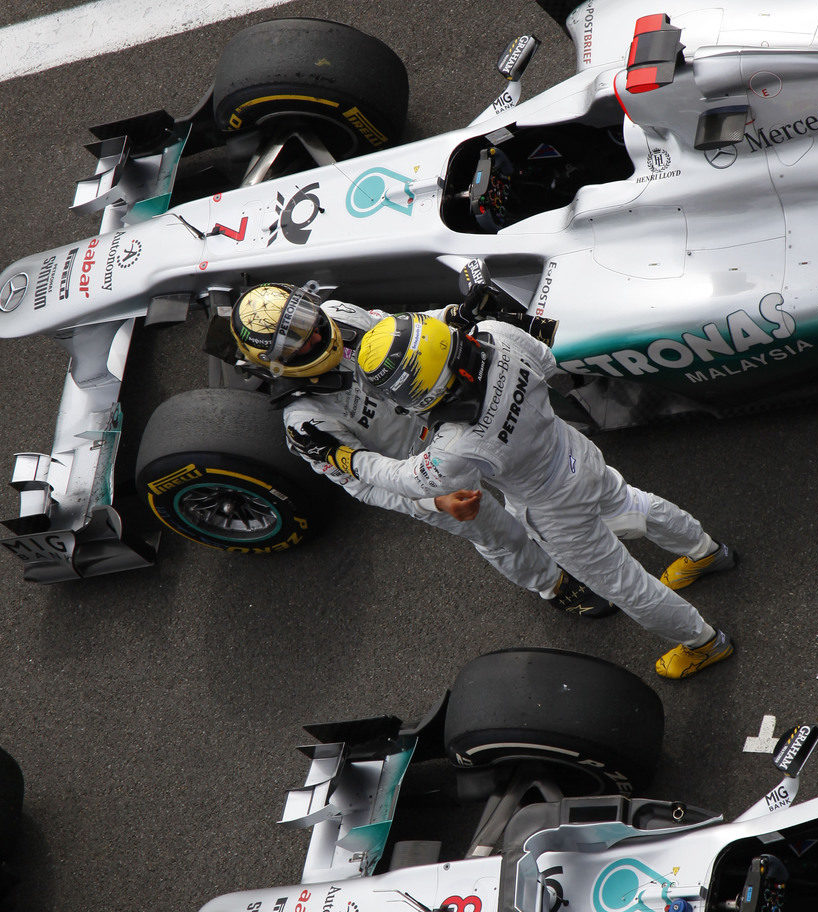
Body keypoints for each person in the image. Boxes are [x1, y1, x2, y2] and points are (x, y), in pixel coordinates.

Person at [321, 310, 737, 678]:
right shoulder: (494, 333)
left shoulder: (454, 446)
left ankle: (705, 644)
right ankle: (706, 552)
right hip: (576, 452)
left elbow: (409, 480)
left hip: (554, 508)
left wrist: (347, 459)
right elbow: (547, 359)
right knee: (632, 502)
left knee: (625, 585)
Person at [228, 283, 613, 616]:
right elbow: (363, 486)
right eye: (297, 341)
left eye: (306, 321)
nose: (313, 336)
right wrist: (432, 504)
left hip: (457, 415)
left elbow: (404, 330)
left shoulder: (338, 313)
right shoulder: (306, 422)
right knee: (500, 535)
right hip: (423, 476)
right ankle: (552, 584)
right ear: (275, 362)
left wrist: (454, 315)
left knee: (539, 475)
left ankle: (581, 523)